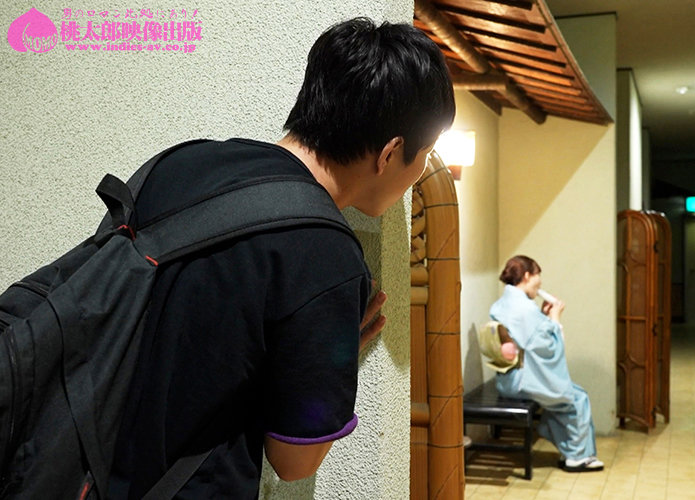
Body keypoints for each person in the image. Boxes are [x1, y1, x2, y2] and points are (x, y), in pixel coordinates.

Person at [107, 17, 455, 498]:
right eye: (426, 153)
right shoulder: (326, 254)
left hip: (72, 466)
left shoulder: (181, 163)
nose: (419, 173)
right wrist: (329, 356)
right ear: (391, 152)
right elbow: (294, 462)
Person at [489, 255, 604, 472]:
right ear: (527, 276)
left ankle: (568, 448)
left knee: (570, 394)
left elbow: (530, 337)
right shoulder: (524, 308)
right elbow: (550, 347)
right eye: (537, 276)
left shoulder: (504, 304)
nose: (540, 283)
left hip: (508, 378)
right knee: (575, 398)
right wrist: (555, 318)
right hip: (522, 380)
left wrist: (543, 317)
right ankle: (576, 457)